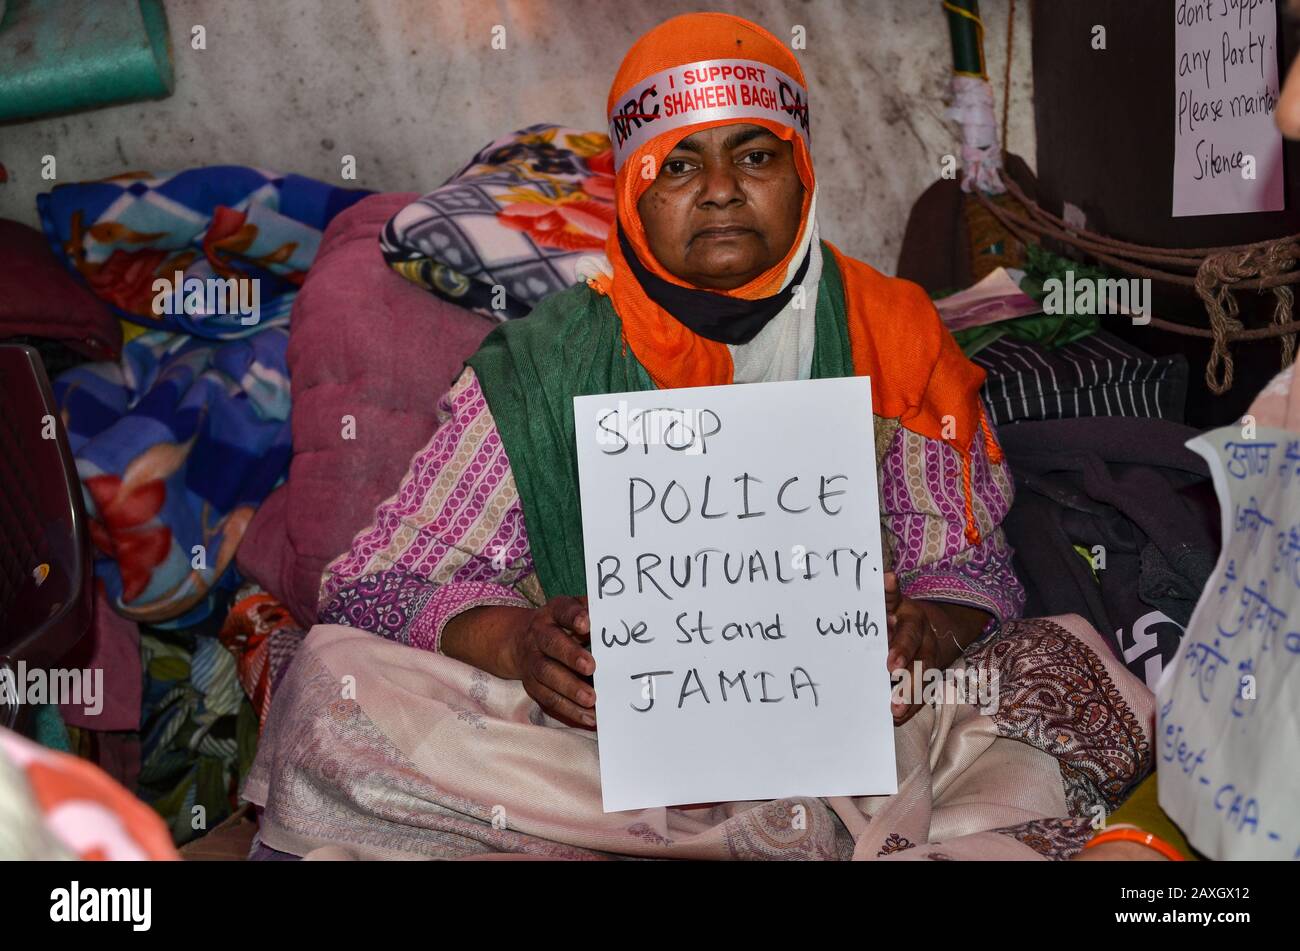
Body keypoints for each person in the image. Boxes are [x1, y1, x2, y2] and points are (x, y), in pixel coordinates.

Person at [245, 13, 1153, 861]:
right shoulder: (541, 365)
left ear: (802, 171)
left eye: (754, 153)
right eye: (677, 166)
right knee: (333, 687)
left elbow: (974, 571)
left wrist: (929, 631)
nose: (719, 190)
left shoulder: (892, 330)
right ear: (633, 193)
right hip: (588, 761)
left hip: (866, 739)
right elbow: (371, 584)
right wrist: (521, 642)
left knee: (1063, 658)